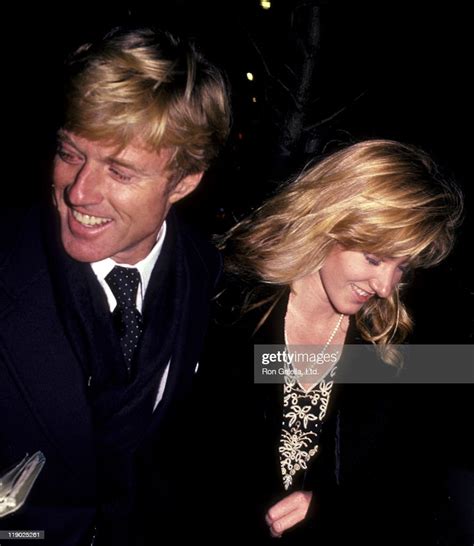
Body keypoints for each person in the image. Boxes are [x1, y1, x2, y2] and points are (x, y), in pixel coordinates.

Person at [0, 26, 230, 545]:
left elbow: (281, 377)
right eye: (70, 152)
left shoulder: (214, 274)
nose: (79, 191)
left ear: (186, 181)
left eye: (120, 172)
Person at [197, 140, 463, 544]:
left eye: (402, 267)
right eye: (374, 258)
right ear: (326, 223)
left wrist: (336, 508)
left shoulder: (392, 344)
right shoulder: (222, 301)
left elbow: (418, 483)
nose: (385, 287)